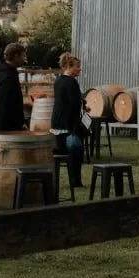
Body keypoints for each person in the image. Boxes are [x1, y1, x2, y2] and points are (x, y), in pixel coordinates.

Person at [50, 52, 87, 190]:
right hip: (68, 123)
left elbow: (65, 99)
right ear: (69, 66)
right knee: (75, 153)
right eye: (77, 66)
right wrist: (82, 104)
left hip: (57, 121)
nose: (79, 69)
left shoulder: (59, 80)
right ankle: (75, 181)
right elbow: (73, 103)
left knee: (61, 151)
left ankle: (56, 179)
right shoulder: (72, 82)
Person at [0, 42, 27, 133]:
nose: (24, 59)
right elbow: (3, 105)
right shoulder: (7, 77)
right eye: (23, 56)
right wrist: (2, 131)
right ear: (16, 56)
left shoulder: (7, 73)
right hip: (6, 129)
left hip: (7, 127)